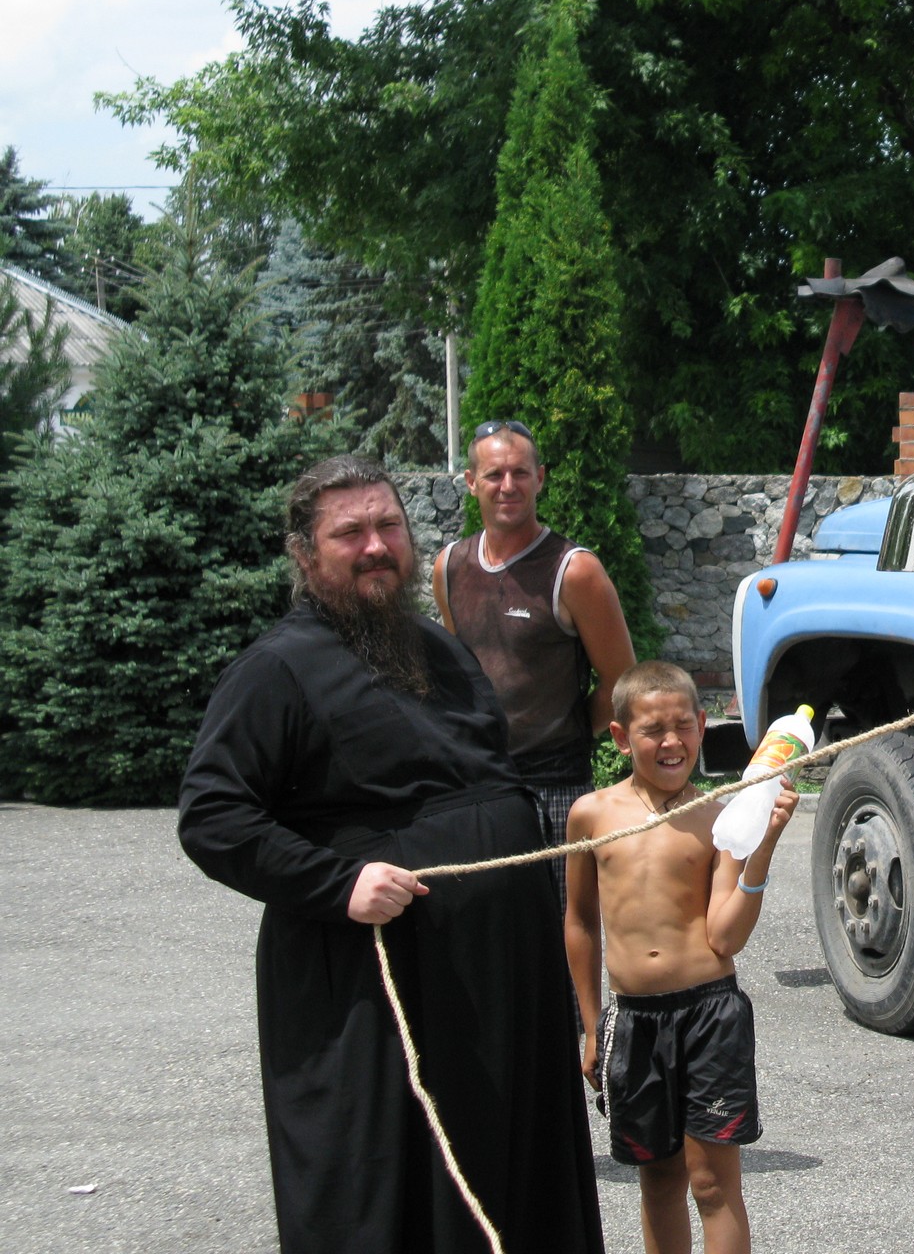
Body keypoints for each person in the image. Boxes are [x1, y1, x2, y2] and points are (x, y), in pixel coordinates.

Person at [179, 454, 604, 1254]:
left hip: (496, 983)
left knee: (511, 1178)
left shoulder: (439, 652)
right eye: (350, 533)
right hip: (380, 986)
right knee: (395, 1189)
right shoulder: (277, 670)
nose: (376, 546)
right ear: (306, 554)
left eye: (388, 527)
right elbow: (212, 816)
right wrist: (337, 882)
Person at [565, 660, 799, 1254]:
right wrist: (592, 1027)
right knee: (659, 1179)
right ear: (620, 738)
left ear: (701, 725)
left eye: (682, 727)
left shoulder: (721, 817)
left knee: (711, 1184)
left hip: (709, 1017)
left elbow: (725, 937)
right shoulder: (591, 816)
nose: (670, 742)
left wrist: (762, 848)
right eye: (652, 730)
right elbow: (580, 922)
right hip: (634, 1021)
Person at [432, 418, 636, 909]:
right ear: (471, 483)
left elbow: (620, 680)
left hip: (556, 789)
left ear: (540, 478)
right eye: (494, 474)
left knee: (563, 937)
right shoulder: (449, 568)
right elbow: (457, 678)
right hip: (480, 787)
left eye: (520, 473)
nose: (508, 486)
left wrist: (560, 733)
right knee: (489, 936)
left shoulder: (575, 570)